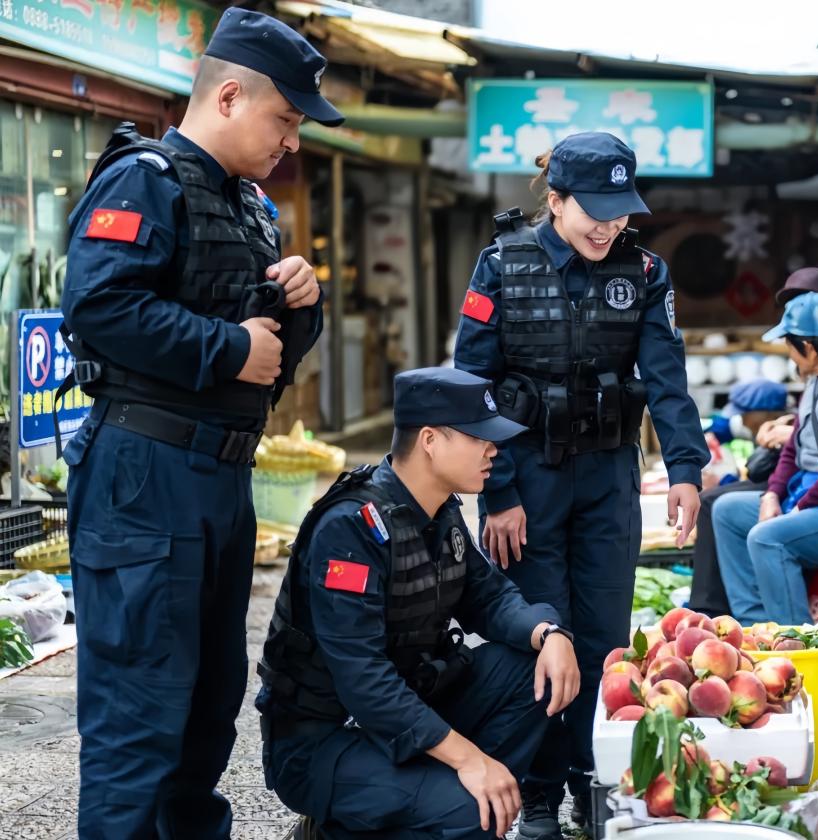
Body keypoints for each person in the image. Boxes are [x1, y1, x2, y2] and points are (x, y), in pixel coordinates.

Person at [59, 9, 338, 837]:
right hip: (144, 473)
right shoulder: (142, 177)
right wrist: (224, 347)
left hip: (221, 478)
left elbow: (270, 357)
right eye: (284, 119)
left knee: (209, 708)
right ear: (227, 95)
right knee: (140, 714)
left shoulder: (251, 208)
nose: (292, 141)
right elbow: (97, 304)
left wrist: (304, 305)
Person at [452, 132, 708, 838]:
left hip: (608, 477)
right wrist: (496, 491)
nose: (609, 225)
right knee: (538, 634)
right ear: (556, 200)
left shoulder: (645, 271)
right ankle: (535, 794)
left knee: (598, 640)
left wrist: (685, 468)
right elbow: (470, 385)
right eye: (594, 209)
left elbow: (666, 376)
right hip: (525, 474)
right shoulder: (502, 264)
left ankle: (590, 784)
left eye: (620, 210)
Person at [256, 368, 581, 839]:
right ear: (430, 440)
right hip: (324, 740)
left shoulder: (440, 509)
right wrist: (470, 759)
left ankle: (448, 801)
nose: (494, 449)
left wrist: (548, 633)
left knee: (533, 671)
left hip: (406, 706)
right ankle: (339, 829)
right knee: (468, 812)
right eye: (480, 438)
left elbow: (488, 596)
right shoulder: (350, 528)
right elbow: (363, 681)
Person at [713, 289, 818, 626]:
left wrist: (799, 506)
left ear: (807, 346)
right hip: (809, 498)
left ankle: (792, 640)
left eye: (789, 345)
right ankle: (755, 626)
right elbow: (794, 445)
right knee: (726, 511)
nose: (789, 355)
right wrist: (773, 494)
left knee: (767, 537)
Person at [689, 380, 792, 617]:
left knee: (712, 502)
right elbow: (722, 427)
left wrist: (725, 482)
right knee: (711, 497)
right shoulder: (755, 425)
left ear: (765, 414)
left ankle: (709, 608)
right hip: (772, 485)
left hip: (784, 490)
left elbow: (776, 475)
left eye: (745, 414)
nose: (742, 421)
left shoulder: (783, 430)